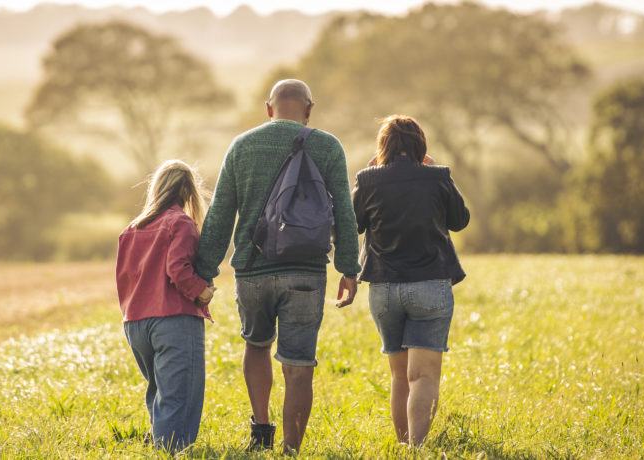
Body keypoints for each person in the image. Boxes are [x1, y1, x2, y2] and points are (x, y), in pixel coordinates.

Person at [194, 79, 362, 453]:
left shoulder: (242, 145)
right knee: (299, 364)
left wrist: (202, 274)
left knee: (256, 345)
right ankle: (291, 450)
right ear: (309, 109)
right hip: (306, 272)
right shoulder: (328, 145)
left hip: (252, 272)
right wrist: (350, 268)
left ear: (268, 109)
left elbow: (221, 213)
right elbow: (345, 214)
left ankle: (262, 431)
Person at [352, 115, 470, 446]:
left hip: (384, 290)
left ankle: (404, 446)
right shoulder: (437, 177)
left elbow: (352, 223)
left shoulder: (368, 178)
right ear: (421, 147)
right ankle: (416, 450)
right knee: (424, 375)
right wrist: (435, 171)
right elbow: (461, 220)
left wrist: (368, 174)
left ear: (383, 147)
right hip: (431, 285)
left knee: (399, 375)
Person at [115, 159, 217, 452]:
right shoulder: (180, 222)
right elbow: (178, 269)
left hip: (135, 323)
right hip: (173, 320)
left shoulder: (130, 230)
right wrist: (203, 292)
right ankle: (171, 451)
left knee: (159, 391)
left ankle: (160, 441)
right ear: (187, 192)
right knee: (179, 394)